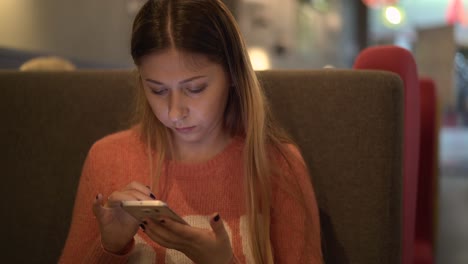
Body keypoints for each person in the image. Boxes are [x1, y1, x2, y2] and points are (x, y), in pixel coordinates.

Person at [59, 0, 322, 263]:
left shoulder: (277, 165)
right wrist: (111, 248)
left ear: (232, 73)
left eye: (195, 88)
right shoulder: (108, 158)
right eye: (158, 90)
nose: (174, 112)